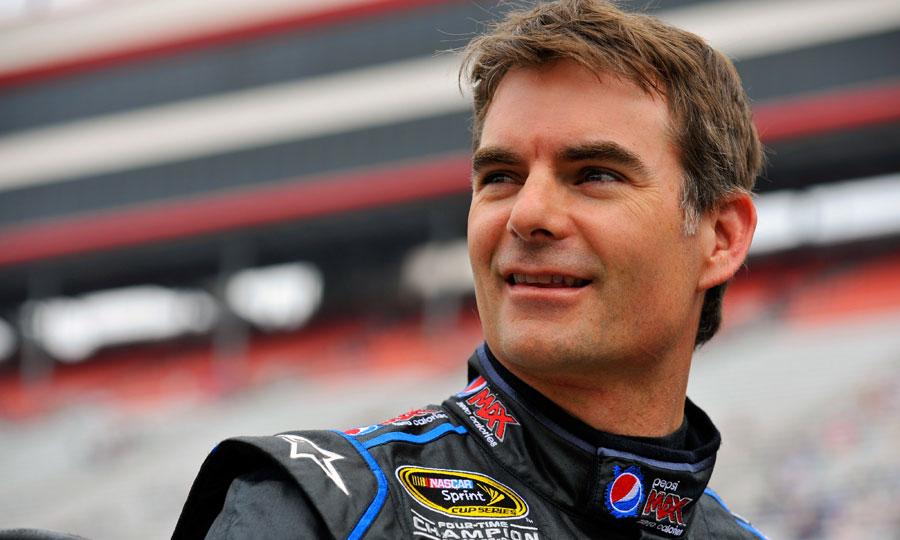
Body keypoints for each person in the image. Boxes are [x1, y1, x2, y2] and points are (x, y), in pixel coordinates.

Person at [174, 0, 766, 538]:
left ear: (720, 238)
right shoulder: (316, 511)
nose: (527, 215)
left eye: (594, 175)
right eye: (501, 177)